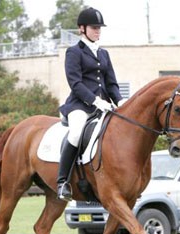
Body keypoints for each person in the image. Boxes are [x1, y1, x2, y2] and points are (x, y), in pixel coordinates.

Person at [57, 7, 124, 201]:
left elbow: (111, 83)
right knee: (77, 132)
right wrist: (95, 100)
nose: (98, 31)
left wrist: (120, 101)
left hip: (104, 105)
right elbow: (75, 83)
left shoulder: (103, 54)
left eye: (99, 28)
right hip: (80, 106)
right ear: (82, 29)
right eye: (94, 28)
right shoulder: (74, 52)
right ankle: (62, 182)